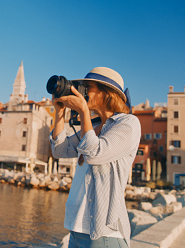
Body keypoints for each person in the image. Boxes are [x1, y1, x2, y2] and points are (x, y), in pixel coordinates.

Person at [50, 67, 141, 248]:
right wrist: (59, 113)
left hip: (104, 233)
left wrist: (84, 111)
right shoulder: (93, 126)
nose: (81, 90)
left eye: (87, 86)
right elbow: (60, 151)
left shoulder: (128, 124)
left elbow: (94, 153)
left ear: (106, 93)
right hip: (77, 228)